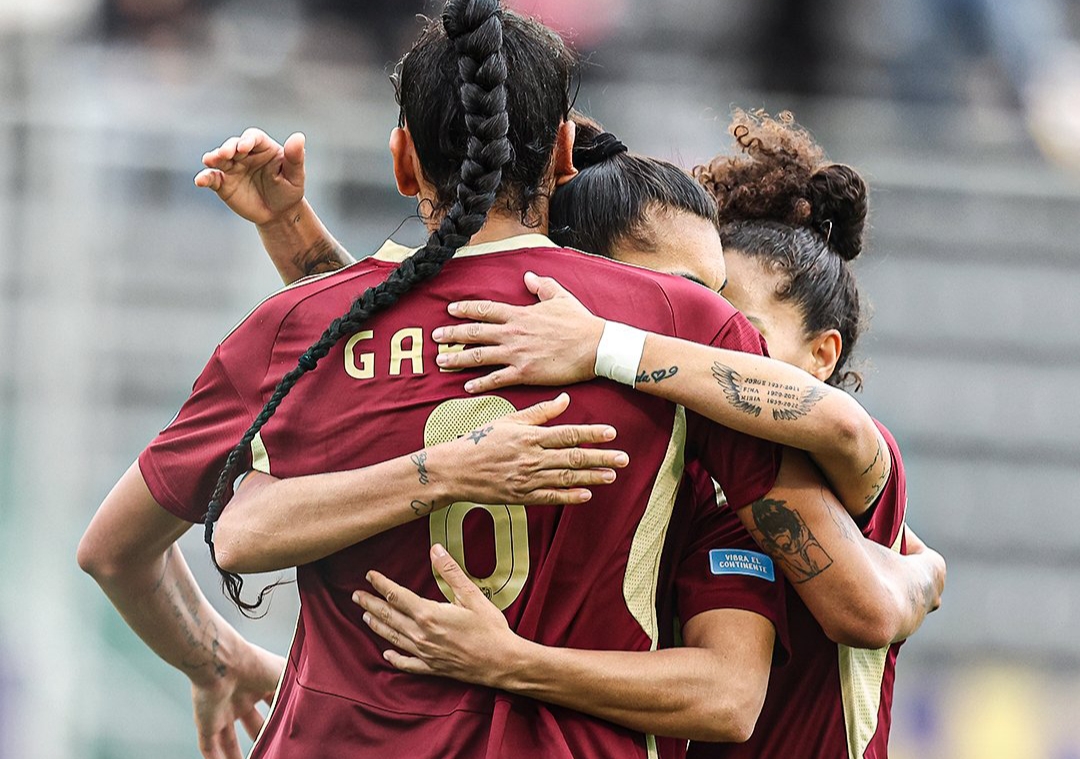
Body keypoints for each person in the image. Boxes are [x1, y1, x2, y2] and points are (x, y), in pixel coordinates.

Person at [78, 0, 841, 756]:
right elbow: (823, 588)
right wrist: (900, 576)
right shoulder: (680, 325)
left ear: (403, 160)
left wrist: (217, 660)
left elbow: (114, 551)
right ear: (565, 154)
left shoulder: (302, 328)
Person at [201, 103, 943, 757]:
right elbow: (416, 337)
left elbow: (837, 612)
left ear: (823, 355)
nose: (715, 333)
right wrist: (291, 231)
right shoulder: (628, 444)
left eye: (727, 313)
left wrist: (922, 576)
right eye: (687, 300)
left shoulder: (783, 465)